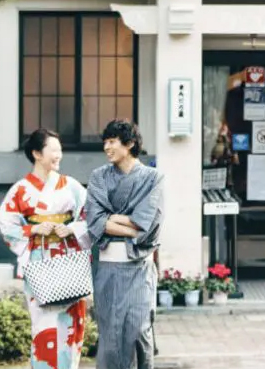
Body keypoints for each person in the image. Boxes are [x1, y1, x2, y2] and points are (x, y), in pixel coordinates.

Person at [0, 129, 90, 369]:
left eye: (60, 150)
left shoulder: (71, 186)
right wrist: (33, 229)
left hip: (68, 258)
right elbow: (6, 223)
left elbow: (91, 216)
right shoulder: (21, 189)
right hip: (39, 259)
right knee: (43, 324)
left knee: (71, 324)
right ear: (37, 154)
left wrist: (71, 229)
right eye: (53, 150)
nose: (59, 155)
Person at [85, 119, 164, 369]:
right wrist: (130, 225)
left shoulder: (152, 177)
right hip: (107, 267)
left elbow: (148, 224)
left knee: (138, 330)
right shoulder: (99, 177)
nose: (106, 148)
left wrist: (111, 219)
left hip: (139, 267)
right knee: (110, 336)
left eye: (112, 142)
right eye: (105, 142)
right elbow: (94, 221)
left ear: (129, 144)